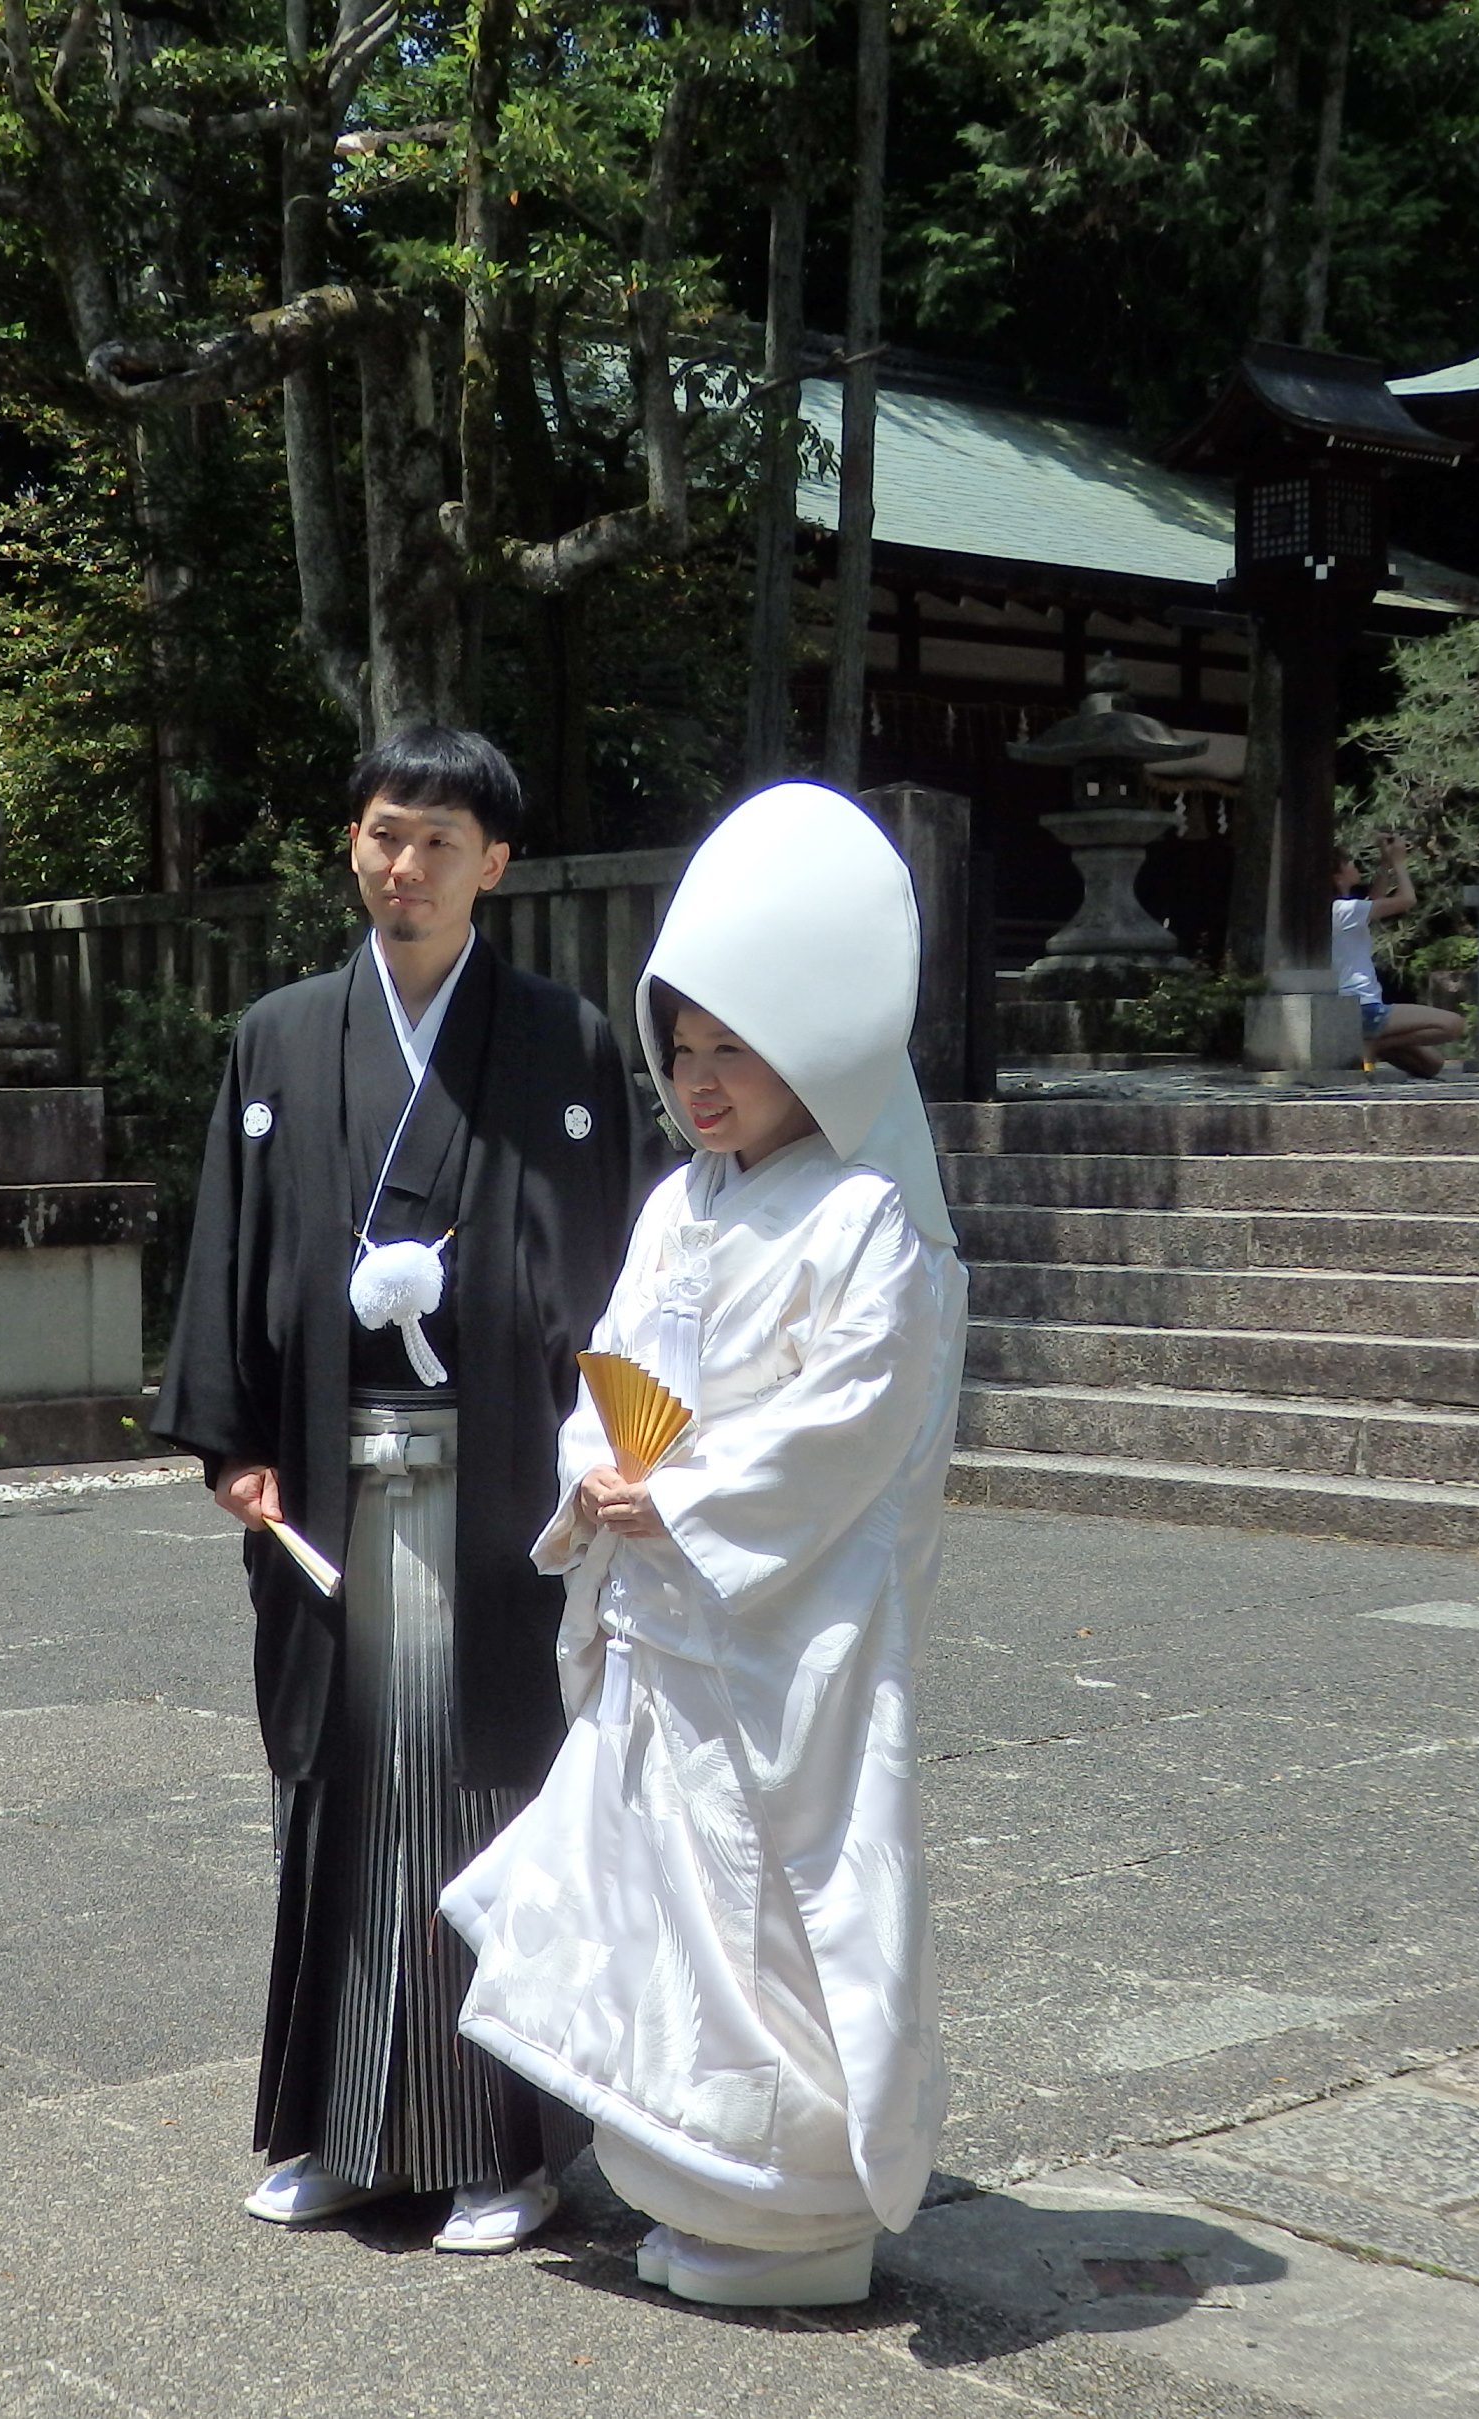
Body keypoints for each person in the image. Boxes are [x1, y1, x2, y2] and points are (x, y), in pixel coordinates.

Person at [440, 781, 971, 2310]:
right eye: (679, 1049)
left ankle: (796, 2200)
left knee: (780, 1899)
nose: (696, 1078)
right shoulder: (678, 1204)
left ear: (814, 1046)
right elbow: (617, 1372)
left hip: (784, 1627)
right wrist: (604, 1474)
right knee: (660, 1903)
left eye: (731, 1046)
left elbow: (850, 1422)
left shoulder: (873, 1223)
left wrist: (676, 1495)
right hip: (668, 1623)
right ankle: (686, 2171)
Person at [153, 723, 662, 2257]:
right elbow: (232, 1244)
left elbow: (618, 1272)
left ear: (493, 863)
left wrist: (631, 1445)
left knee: (486, 1796)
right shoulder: (282, 1034)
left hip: (500, 1484)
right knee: (342, 1800)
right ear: (351, 843)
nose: (404, 866)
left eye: (439, 842)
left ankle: (507, 2148)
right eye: (383, 834)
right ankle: (333, 2127)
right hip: (332, 1479)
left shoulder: (564, 1040)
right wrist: (231, 1435)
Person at [1332, 832, 1466, 1077]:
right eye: (1348, 862)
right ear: (1338, 874)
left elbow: (1374, 901)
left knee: (1431, 1065)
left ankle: (1372, 1045)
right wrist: (1398, 862)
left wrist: (1385, 864)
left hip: (1352, 1010)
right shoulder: (1344, 910)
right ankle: (1367, 1046)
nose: (1354, 865)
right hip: (1363, 1008)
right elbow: (1407, 900)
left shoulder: (1339, 910)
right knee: (1453, 1024)